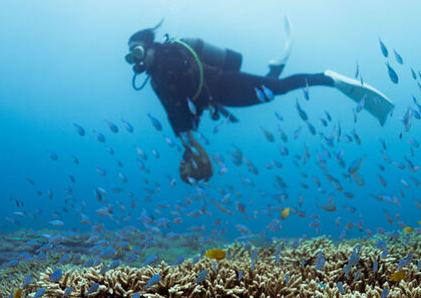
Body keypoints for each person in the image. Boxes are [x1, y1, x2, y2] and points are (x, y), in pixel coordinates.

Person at [125, 19, 395, 182]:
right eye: (130, 56)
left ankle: (328, 78)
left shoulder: (168, 58)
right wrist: (188, 138)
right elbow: (176, 110)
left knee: (276, 89)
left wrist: (196, 119)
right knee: (271, 89)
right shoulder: (156, 77)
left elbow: (188, 90)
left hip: (225, 85)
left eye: (137, 51)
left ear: (149, 46)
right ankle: (275, 65)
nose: (136, 60)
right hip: (223, 94)